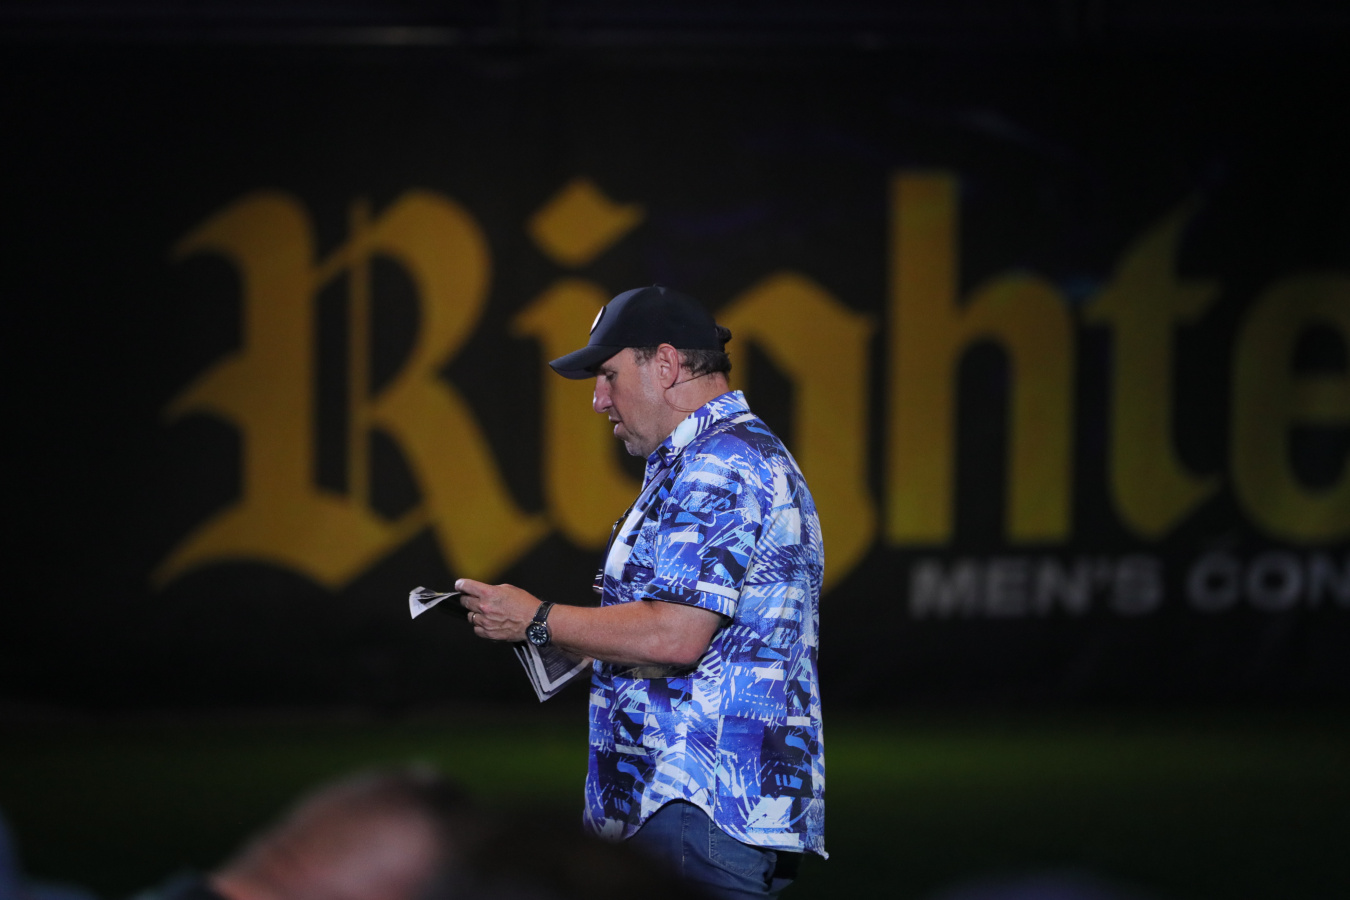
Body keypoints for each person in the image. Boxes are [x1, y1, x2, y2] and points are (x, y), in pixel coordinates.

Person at [456, 285, 826, 899]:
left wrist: (538, 618)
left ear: (667, 364)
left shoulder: (719, 465)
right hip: (707, 809)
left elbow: (674, 636)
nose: (598, 399)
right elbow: (690, 639)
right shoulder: (724, 455)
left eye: (608, 375)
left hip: (691, 808)